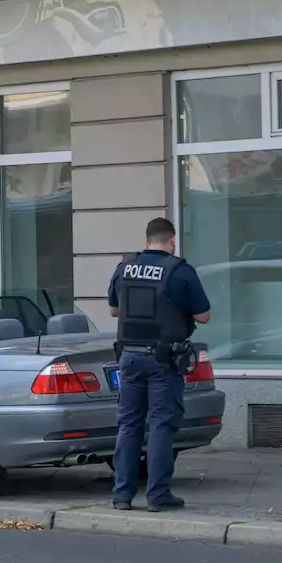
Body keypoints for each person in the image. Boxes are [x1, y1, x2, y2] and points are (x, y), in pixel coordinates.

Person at [107, 218, 211, 512]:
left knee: (129, 425)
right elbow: (204, 316)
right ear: (172, 240)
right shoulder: (179, 271)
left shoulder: (124, 268)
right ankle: (157, 495)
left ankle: (122, 495)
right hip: (163, 359)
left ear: (147, 239)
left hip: (128, 357)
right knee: (162, 426)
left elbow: (114, 309)